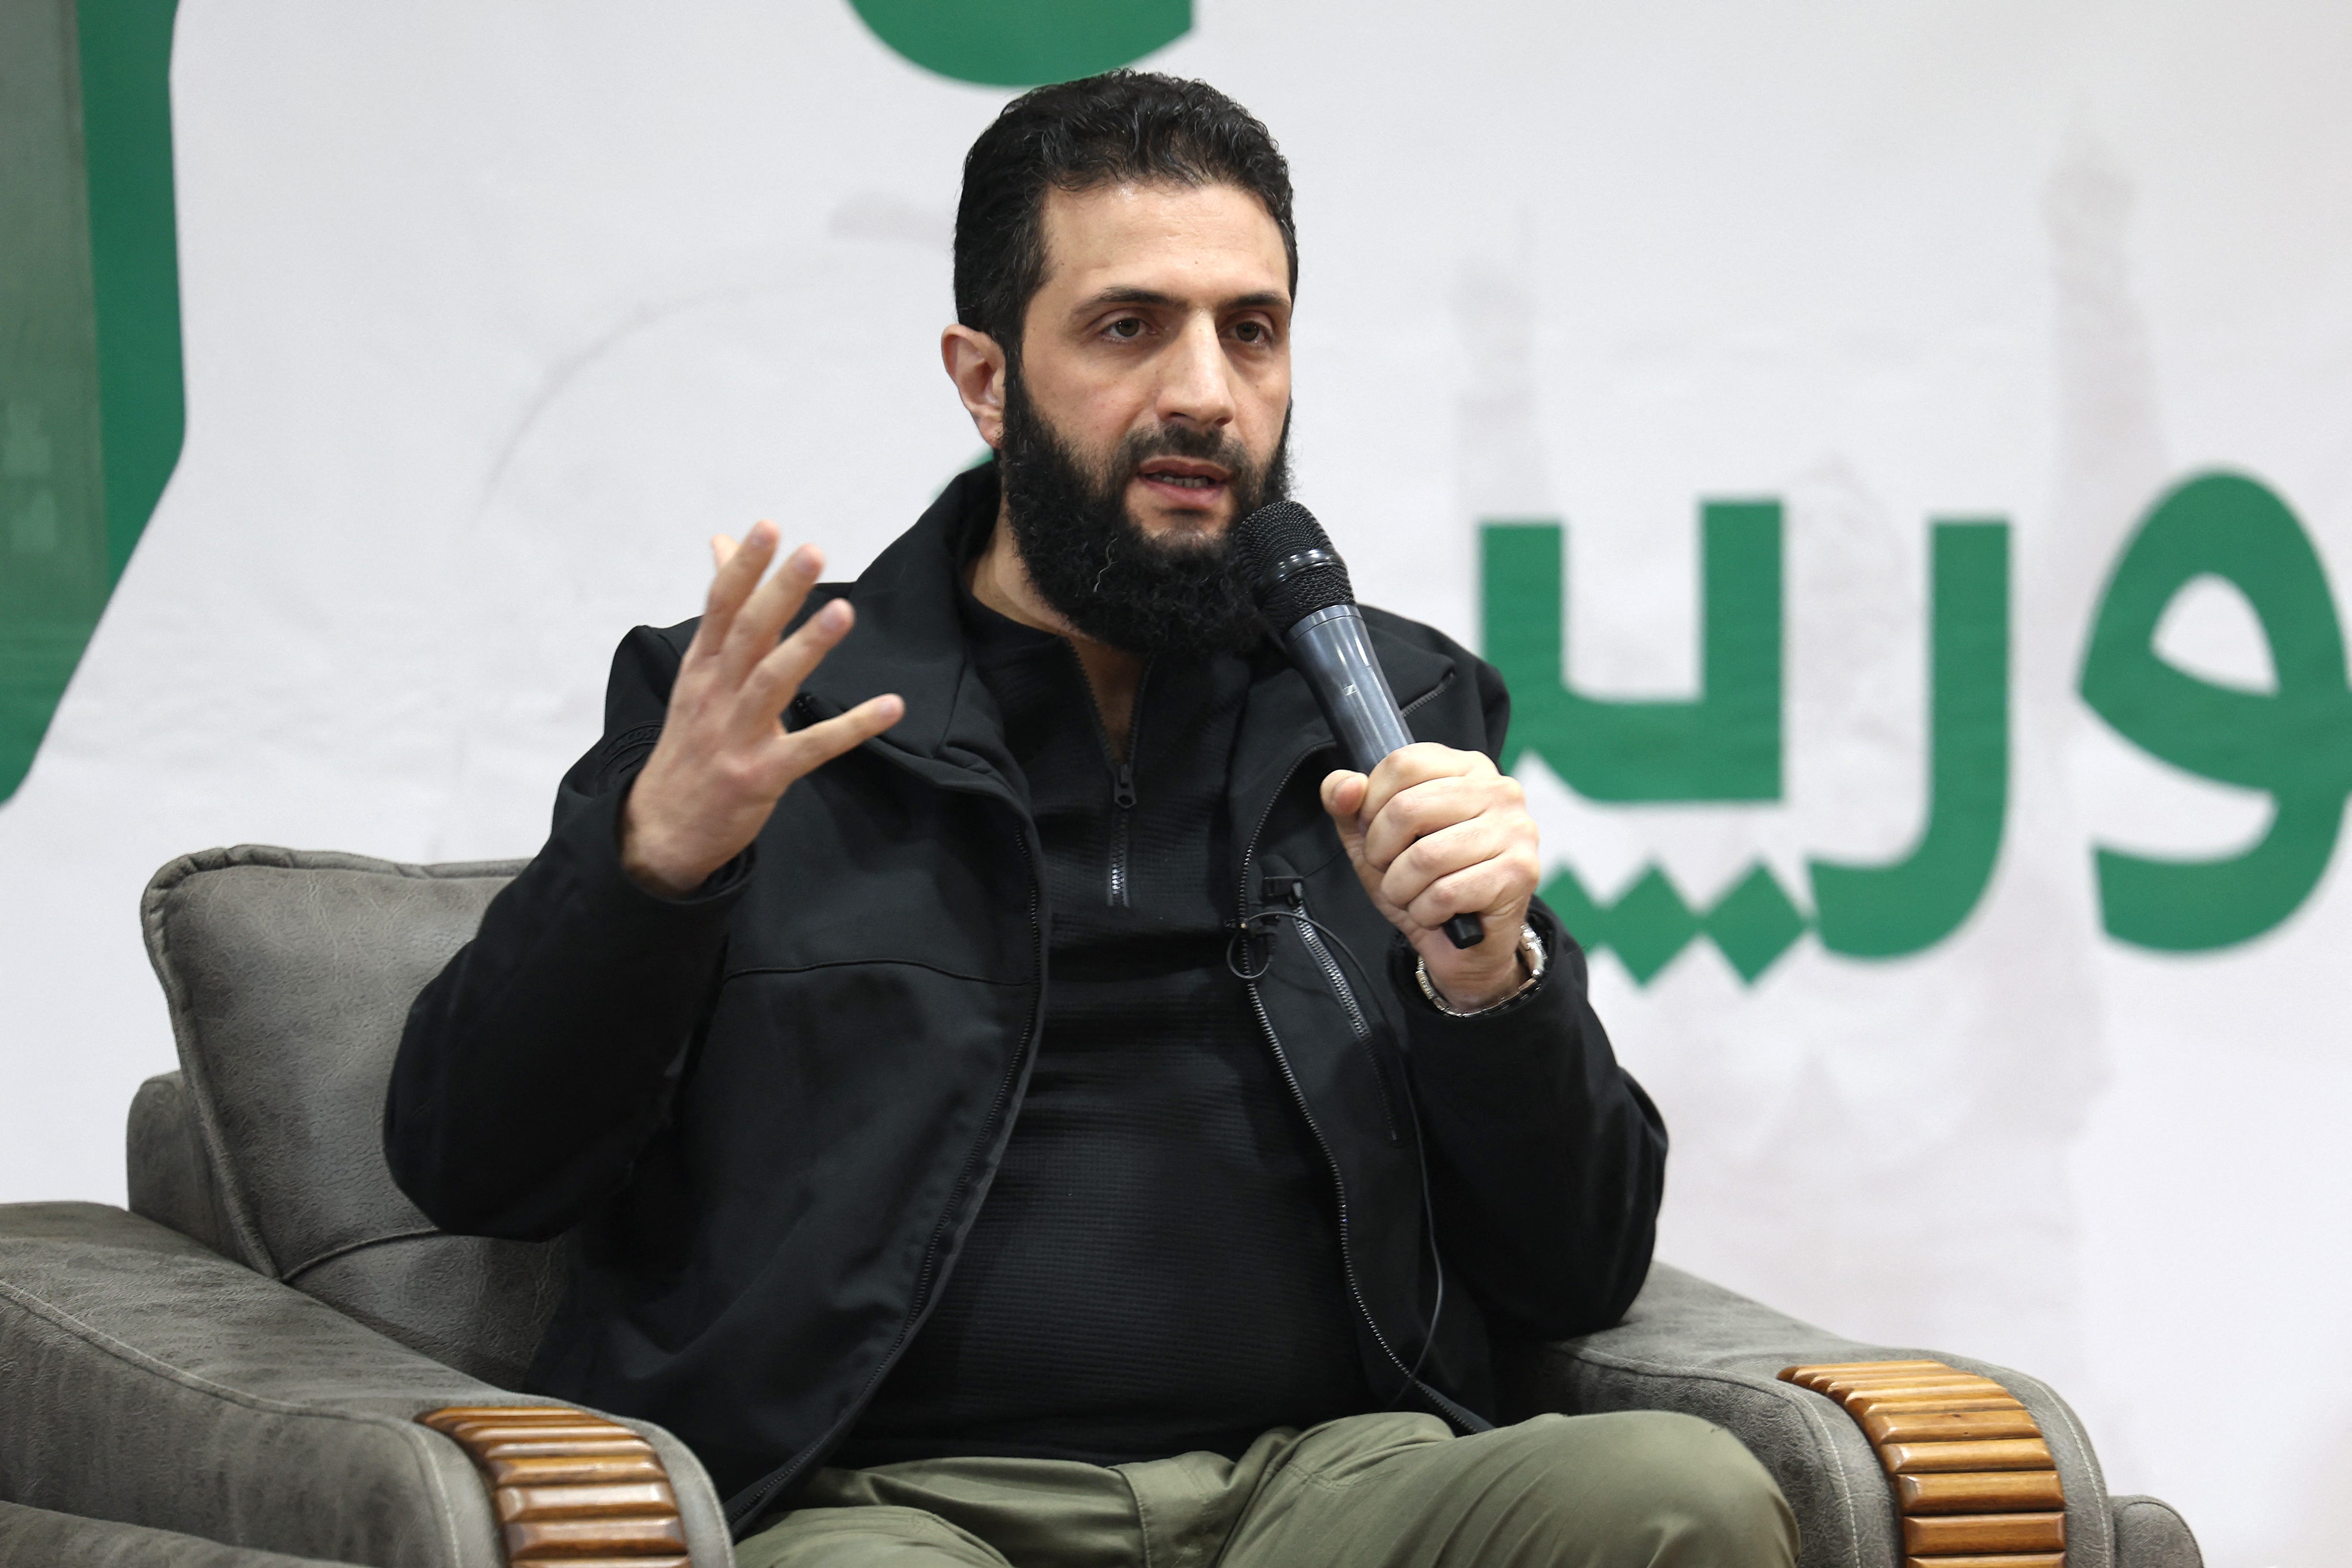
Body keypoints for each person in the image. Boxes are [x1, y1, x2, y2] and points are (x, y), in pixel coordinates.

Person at [387, 71, 1795, 1568]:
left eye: (1248, 331)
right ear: (985, 378)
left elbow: (1575, 1269)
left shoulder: (1390, 707)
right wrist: (647, 875)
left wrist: (1486, 984)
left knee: (1675, 1500)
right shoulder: (759, 712)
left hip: (1318, 1488)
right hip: (889, 1508)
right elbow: (474, 1167)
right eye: (1129, 327)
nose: (1204, 390)